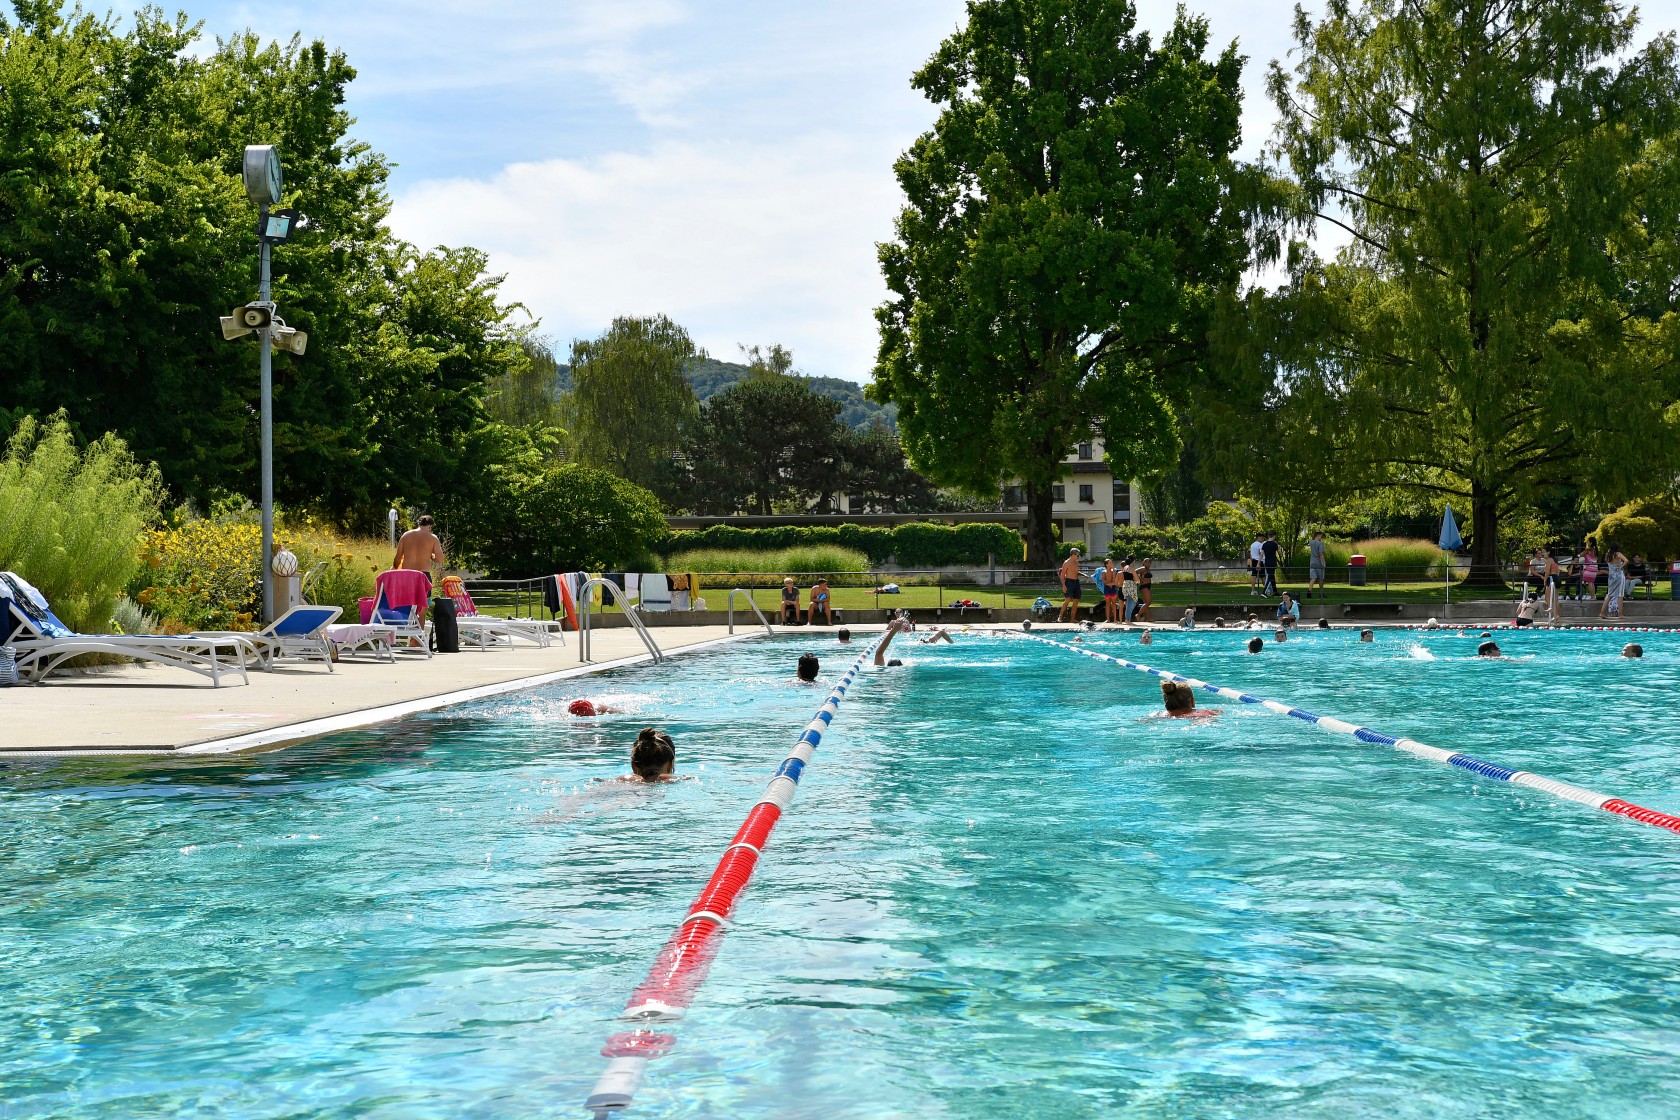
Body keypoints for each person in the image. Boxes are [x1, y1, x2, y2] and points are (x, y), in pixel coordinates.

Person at [1601, 542, 1628, 620]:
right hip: (1619, 576)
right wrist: (1621, 566)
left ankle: (1602, 612)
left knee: (1610, 594)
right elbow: (1626, 560)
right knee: (1620, 594)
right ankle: (1621, 614)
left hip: (1611, 576)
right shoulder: (1618, 554)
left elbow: (1608, 562)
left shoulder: (1607, 555)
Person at [1057, 549, 1083, 623]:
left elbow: (1076, 571)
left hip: (1076, 582)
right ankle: (1060, 616)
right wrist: (1064, 586)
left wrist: (1083, 574)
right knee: (1067, 600)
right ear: (1073, 554)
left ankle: (1072, 618)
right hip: (1069, 581)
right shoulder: (1066, 563)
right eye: (1077, 555)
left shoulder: (1076, 562)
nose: (1078, 557)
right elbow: (1062, 576)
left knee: (1076, 600)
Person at [1099, 557, 1120, 623]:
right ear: (1106, 564)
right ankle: (1108, 619)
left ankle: (1115, 619)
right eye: (1110, 563)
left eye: (1111, 563)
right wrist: (1110, 584)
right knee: (1107, 603)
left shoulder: (1114, 571)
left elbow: (1114, 580)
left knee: (1114, 603)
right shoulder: (1103, 572)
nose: (1111, 564)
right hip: (1107, 588)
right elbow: (1103, 581)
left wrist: (1113, 572)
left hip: (1113, 588)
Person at [1308, 531, 1327, 599]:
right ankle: (1321, 593)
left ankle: (1309, 592)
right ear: (1318, 536)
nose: (1321, 538)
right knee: (1321, 579)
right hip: (1318, 562)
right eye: (1321, 536)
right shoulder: (1320, 543)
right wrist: (1324, 563)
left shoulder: (1311, 542)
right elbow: (1321, 554)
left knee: (1313, 578)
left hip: (1312, 562)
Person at [1120, 556, 1139, 623]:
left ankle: (1128, 618)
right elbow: (1137, 578)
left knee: (1129, 602)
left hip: (1125, 585)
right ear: (1132, 561)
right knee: (1131, 603)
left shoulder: (1125, 567)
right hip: (1131, 586)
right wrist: (1137, 580)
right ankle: (1127, 619)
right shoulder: (1131, 568)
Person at [1261, 532, 1280, 597]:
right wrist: (1279, 548)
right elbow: (1279, 553)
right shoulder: (1274, 544)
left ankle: (1275, 592)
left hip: (1267, 562)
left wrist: (1258, 563)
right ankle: (1264, 592)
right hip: (1272, 562)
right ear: (1274, 536)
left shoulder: (1264, 544)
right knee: (1270, 576)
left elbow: (1261, 554)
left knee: (1272, 577)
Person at [1135, 558, 1154, 622]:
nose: (1148, 563)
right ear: (1144, 563)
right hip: (1144, 586)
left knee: (1147, 603)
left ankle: (1148, 618)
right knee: (1148, 602)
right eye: (1147, 562)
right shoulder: (1142, 568)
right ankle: (1138, 615)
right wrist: (1139, 579)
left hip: (1148, 586)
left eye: (1149, 562)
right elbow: (1134, 572)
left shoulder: (1147, 569)